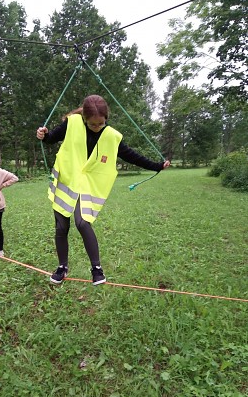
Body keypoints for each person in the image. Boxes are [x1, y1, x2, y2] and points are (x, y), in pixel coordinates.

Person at [37, 95, 170, 286]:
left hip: (89, 185)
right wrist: (44, 135)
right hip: (66, 180)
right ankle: (62, 267)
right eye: (93, 124)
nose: (97, 127)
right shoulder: (72, 123)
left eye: (101, 123)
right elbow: (50, 138)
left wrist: (157, 166)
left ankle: (96, 269)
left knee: (82, 222)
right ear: (84, 118)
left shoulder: (112, 136)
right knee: (61, 227)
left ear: (106, 118)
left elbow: (132, 156)